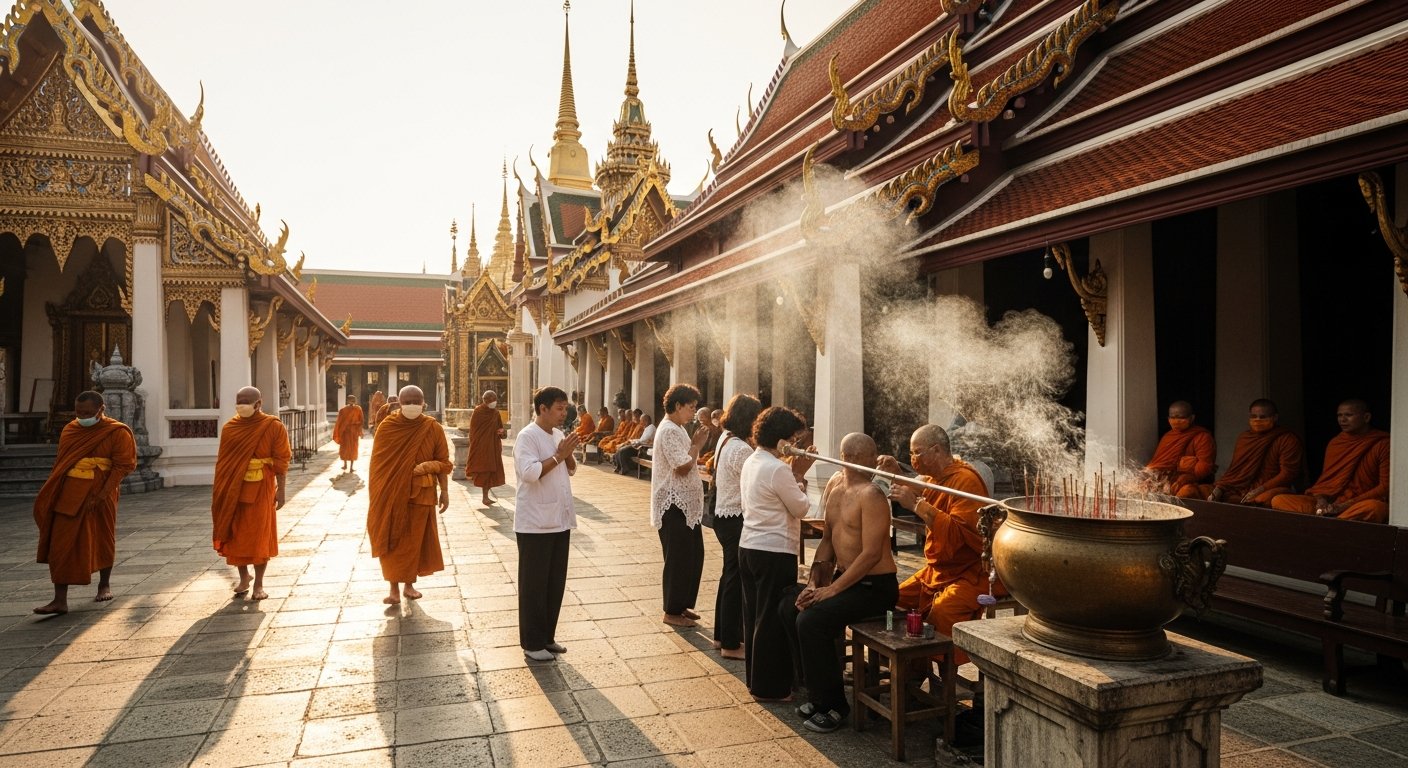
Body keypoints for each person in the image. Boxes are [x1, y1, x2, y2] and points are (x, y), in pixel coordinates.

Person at [783, 432, 898, 733]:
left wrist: (832, 590)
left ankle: (835, 707)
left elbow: (872, 554)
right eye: (868, 459)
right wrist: (813, 584)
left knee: (811, 622)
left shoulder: (872, 495)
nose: (875, 463)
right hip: (844, 579)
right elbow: (827, 541)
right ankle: (818, 692)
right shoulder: (835, 485)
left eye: (875, 457)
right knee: (788, 606)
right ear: (849, 459)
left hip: (875, 588)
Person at [880, 424, 990, 663]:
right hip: (937, 570)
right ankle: (905, 662)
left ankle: (944, 675)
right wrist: (894, 472)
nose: (913, 459)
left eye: (917, 453)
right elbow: (918, 483)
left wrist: (917, 506)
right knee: (892, 599)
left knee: (942, 611)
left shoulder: (965, 481)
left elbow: (959, 536)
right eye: (911, 454)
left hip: (969, 571)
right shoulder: (935, 478)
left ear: (937, 450)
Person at [31, 391, 137, 615]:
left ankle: (104, 584)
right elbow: (63, 463)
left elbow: (123, 466)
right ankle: (60, 599)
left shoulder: (117, 431)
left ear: (101, 409)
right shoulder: (71, 429)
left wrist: (101, 494)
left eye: (88, 413)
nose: (82, 416)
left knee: (102, 537)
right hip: (69, 491)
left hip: (101, 492)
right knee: (61, 543)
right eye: (79, 412)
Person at [738, 406, 816, 701]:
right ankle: (770, 688)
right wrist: (799, 475)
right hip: (773, 549)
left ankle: (756, 680)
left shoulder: (753, 460)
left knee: (755, 615)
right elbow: (801, 507)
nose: (795, 445)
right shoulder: (778, 468)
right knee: (770, 619)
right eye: (793, 438)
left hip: (750, 546)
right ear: (781, 439)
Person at [513, 387, 581, 662]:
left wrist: (568, 452)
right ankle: (532, 642)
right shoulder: (527, 436)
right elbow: (530, 473)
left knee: (554, 582)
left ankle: (547, 637)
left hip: (559, 520)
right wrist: (559, 456)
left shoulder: (557, 434)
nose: (564, 413)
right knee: (534, 584)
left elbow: (571, 469)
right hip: (535, 523)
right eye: (559, 408)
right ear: (542, 408)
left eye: (565, 408)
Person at [367, 385, 451, 604]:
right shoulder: (388, 427)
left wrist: (443, 489)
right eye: (408, 402)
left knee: (414, 542)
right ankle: (393, 588)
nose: (412, 405)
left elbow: (444, 463)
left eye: (416, 401)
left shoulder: (432, 427)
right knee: (391, 537)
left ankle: (409, 585)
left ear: (424, 403)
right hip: (391, 494)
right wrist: (379, 494)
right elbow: (378, 466)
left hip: (421, 495)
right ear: (400, 404)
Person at [211, 386, 290, 601]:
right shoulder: (230, 428)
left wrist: (281, 490)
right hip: (233, 490)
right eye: (239, 401)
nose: (241, 405)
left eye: (246, 401)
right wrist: (220, 492)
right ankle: (244, 577)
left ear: (258, 404)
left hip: (262, 489)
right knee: (235, 534)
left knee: (259, 536)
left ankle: (260, 585)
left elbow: (282, 461)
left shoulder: (272, 426)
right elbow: (224, 464)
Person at [652, 385, 712, 627]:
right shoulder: (668, 430)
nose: (693, 412)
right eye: (691, 407)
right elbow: (682, 466)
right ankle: (672, 611)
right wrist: (697, 444)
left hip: (685, 506)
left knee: (693, 555)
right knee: (678, 558)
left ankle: (683, 604)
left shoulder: (677, 429)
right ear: (677, 406)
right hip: (672, 505)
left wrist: (695, 445)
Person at [1271, 399, 1390, 522]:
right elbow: (1327, 483)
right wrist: (1321, 500)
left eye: (1349, 415)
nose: (1342, 420)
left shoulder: (1382, 444)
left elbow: (1385, 487)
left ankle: (1330, 524)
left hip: (1357, 503)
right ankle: (1331, 523)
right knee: (1279, 500)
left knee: (1375, 508)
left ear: (1366, 417)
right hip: (1331, 503)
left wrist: (1345, 505)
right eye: (1339, 415)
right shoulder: (1335, 443)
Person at [710, 394, 762, 660]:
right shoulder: (740, 448)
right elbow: (755, 480)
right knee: (735, 579)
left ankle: (722, 636)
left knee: (728, 575)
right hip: (733, 517)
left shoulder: (726, 438)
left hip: (724, 514)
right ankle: (731, 642)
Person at [1205, 399, 1303, 505]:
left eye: (1263, 417)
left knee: (1261, 500)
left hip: (1270, 488)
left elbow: (1288, 473)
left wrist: (1260, 489)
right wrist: (1220, 488)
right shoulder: (1244, 438)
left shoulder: (1287, 439)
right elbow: (1235, 472)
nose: (1257, 420)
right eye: (1254, 416)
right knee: (1213, 494)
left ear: (1275, 418)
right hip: (1243, 487)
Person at [1144, 400, 1216, 498]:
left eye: (1181, 417)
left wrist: (1186, 478)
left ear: (1192, 418)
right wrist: (1148, 475)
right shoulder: (1168, 437)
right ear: (1168, 419)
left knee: (1186, 492)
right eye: (1173, 417)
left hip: (1192, 482)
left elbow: (1204, 467)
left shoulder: (1202, 437)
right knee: (1141, 487)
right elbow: (1158, 463)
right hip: (1167, 480)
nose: (1176, 421)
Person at [467, 390, 507, 506]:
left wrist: (502, 433)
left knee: (491, 471)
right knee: (484, 471)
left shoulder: (495, 413)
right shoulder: (478, 412)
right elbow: (473, 432)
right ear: (484, 400)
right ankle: (485, 497)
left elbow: (501, 429)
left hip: (493, 447)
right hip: (481, 447)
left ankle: (486, 497)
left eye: (494, 400)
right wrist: (475, 445)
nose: (493, 402)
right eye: (490, 400)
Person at [333, 395, 364, 473]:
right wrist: (340, 431)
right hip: (345, 432)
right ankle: (345, 464)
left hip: (354, 432)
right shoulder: (343, 410)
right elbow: (339, 422)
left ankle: (351, 467)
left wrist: (360, 430)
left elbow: (361, 420)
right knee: (345, 448)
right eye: (351, 400)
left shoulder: (358, 409)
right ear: (347, 401)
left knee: (353, 449)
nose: (352, 402)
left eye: (353, 400)